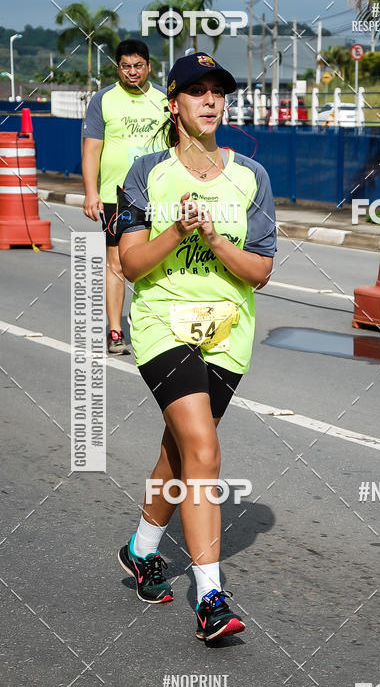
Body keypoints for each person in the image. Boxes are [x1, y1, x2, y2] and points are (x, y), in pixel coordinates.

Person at [115, 52, 277, 642]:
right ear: (174, 103)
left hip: (228, 331)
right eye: (197, 91)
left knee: (181, 451)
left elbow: (259, 271)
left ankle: (141, 550)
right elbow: (131, 265)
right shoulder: (145, 173)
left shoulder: (252, 177)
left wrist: (212, 236)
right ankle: (211, 595)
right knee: (203, 444)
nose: (211, 101)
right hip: (162, 322)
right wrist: (177, 231)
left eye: (219, 92)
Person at [82, 39, 167, 354]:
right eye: (126, 66)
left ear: (148, 66)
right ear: (117, 67)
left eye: (138, 66)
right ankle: (116, 331)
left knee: (160, 258)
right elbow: (92, 149)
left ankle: (158, 326)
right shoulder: (103, 100)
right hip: (116, 196)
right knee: (116, 262)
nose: (132, 72)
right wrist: (91, 192)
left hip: (160, 194)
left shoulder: (164, 99)